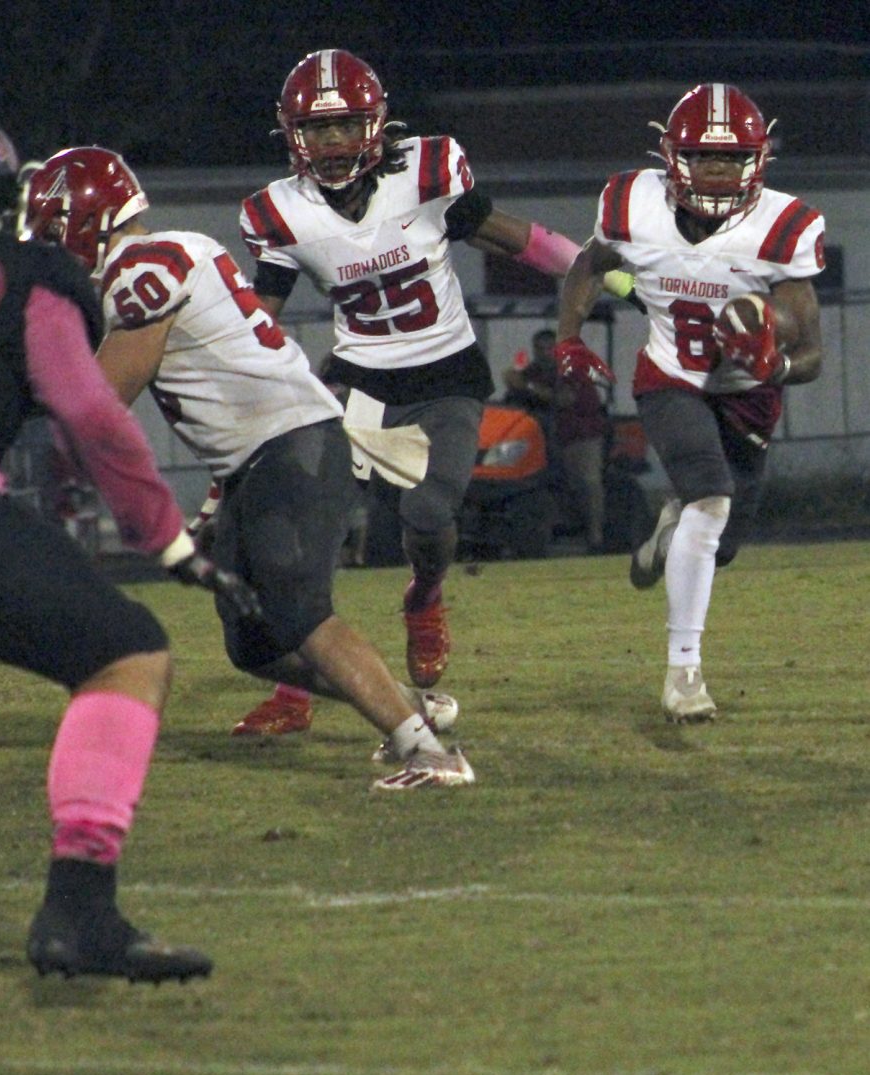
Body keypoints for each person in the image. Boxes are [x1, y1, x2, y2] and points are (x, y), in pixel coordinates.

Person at [0, 102, 264, 981]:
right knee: (126, 655)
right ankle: (81, 910)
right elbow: (91, 416)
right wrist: (167, 540)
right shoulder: (29, 270)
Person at [25, 145, 473, 790]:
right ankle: (408, 704)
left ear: (83, 219)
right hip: (259, 459)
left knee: (300, 611)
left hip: (291, 444)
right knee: (254, 643)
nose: (48, 251)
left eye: (50, 232)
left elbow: (101, 400)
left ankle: (427, 753)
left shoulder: (142, 268)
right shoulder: (175, 250)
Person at [235, 48, 630, 736]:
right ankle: (294, 693)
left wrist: (607, 274)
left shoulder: (425, 174)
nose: (333, 142)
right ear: (292, 134)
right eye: (318, 128)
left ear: (376, 123)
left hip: (445, 373)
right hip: (360, 380)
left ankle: (423, 599)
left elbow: (518, 239)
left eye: (345, 124)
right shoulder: (282, 212)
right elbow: (259, 317)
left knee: (428, 513)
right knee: (308, 535)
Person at [553, 83, 824, 721]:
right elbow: (590, 265)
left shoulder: (784, 227)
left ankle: (673, 524)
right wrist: (569, 337)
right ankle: (683, 673)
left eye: (732, 158)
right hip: (671, 376)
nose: (718, 171)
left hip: (748, 398)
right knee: (711, 498)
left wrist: (775, 362)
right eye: (704, 156)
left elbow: (812, 356)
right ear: (673, 157)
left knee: (719, 543)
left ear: (759, 161)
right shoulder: (632, 204)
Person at [502, 327, 609, 553]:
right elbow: (513, 401)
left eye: (549, 348)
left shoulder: (572, 371)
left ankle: (595, 536)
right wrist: (513, 383)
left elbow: (565, 399)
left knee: (586, 481)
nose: (544, 353)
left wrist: (526, 386)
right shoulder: (532, 372)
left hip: (579, 436)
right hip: (542, 440)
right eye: (539, 349)